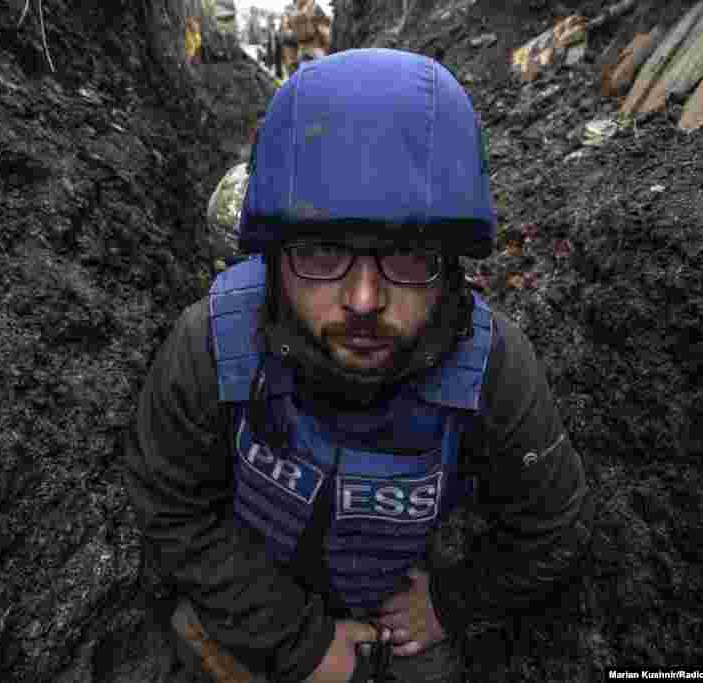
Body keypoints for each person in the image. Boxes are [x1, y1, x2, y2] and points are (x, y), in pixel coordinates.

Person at [126, 48, 593, 683]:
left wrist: (451, 603)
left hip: (394, 612)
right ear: (274, 253)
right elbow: (171, 505)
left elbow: (556, 526)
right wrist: (300, 640)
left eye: (407, 255)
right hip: (254, 589)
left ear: (452, 263)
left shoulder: (492, 372)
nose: (365, 301)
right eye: (321, 251)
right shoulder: (214, 343)